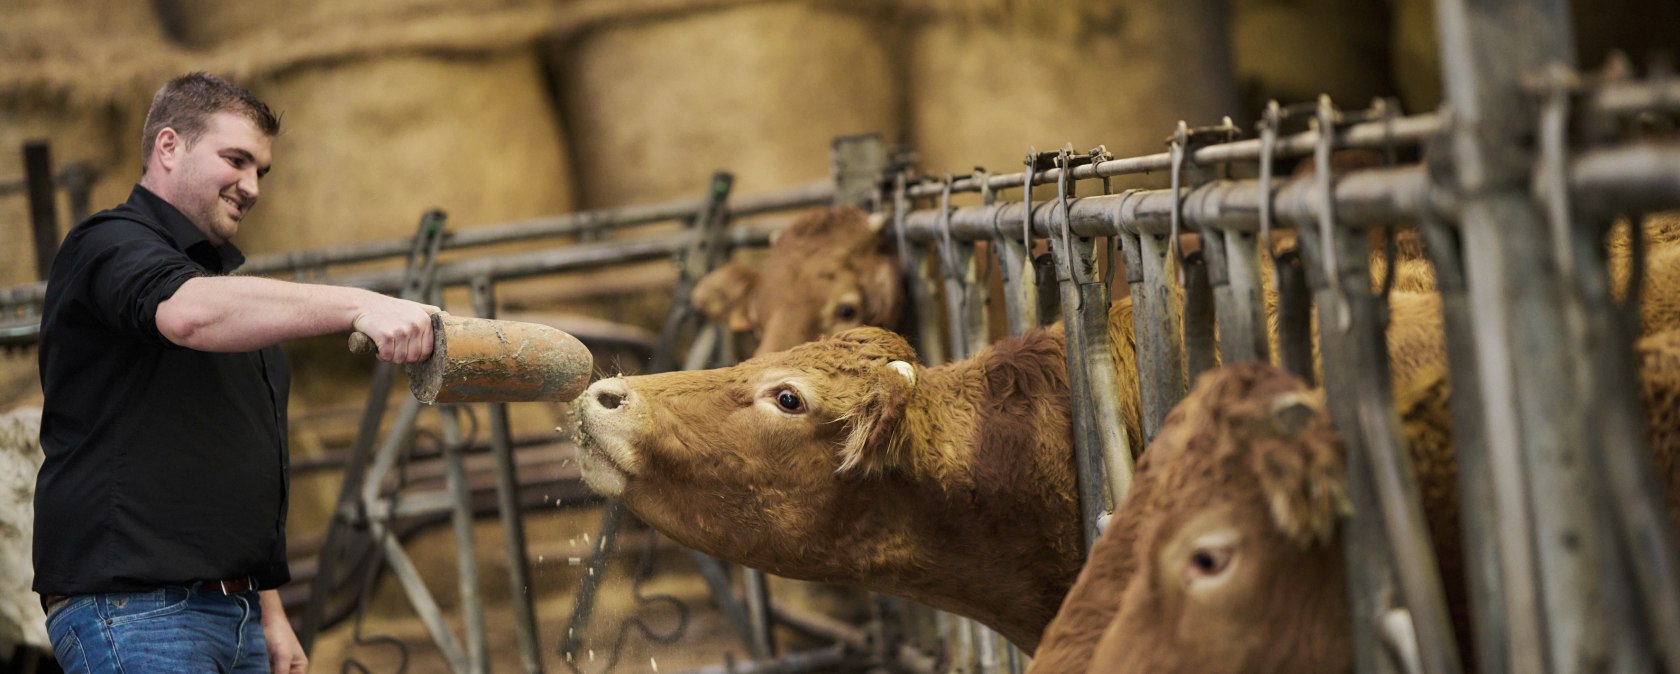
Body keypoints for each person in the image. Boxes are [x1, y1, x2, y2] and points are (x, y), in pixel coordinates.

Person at [33, 72, 437, 673]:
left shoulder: (230, 299)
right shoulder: (109, 242)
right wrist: (362, 304)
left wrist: (268, 613)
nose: (252, 186)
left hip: (235, 612)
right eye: (236, 160)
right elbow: (186, 314)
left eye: (261, 171)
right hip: (137, 612)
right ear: (169, 146)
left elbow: (222, 464)